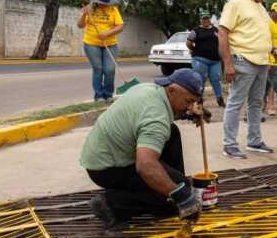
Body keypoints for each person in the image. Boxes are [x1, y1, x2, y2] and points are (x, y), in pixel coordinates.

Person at [80, 69, 210, 229]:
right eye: (188, 102)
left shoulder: (150, 90)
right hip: (107, 169)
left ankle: (174, 184)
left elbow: (150, 118)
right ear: (171, 90)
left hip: (101, 153)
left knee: (172, 132)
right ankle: (111, 204)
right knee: (174, 195)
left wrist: (187, 114)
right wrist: (180, 196)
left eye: (194, 103)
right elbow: (145, 166)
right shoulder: (156, 118)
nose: (191, 107)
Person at [218, 0, 277, 159]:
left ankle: (254, 141)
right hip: (243, 61)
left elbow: (259, 31)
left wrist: (272, 48)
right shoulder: (235, 3)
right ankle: (229, 144)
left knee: (256, 103)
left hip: (262, 62)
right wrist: (228, 64)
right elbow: (223, 33)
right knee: (235, 103)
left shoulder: (260, 6)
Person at [77, 0, 124, 102]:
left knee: (110, 69)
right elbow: (80, 25)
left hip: (110, 43)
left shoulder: (113, 9)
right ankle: (99, 95)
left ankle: (108, 94)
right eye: (101, 1)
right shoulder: (89, 8)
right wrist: (84, 15)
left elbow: (120, 26)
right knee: (98, 69)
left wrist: (107, 33)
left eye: (105, 1)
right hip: (91, 43)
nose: (104, 4)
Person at [188, 9, 224, 107]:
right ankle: (199, 100)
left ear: (209, 19)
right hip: (200, 60)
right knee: (200, 80)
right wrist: (193, 49)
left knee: (216, 79)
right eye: (203, 18)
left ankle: (220, 99)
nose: (205, 20)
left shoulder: (215, 30)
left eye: (207, 18)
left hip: (215, 61)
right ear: (200, 20)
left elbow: (221, 41)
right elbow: (189, 43)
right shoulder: (195, 31)